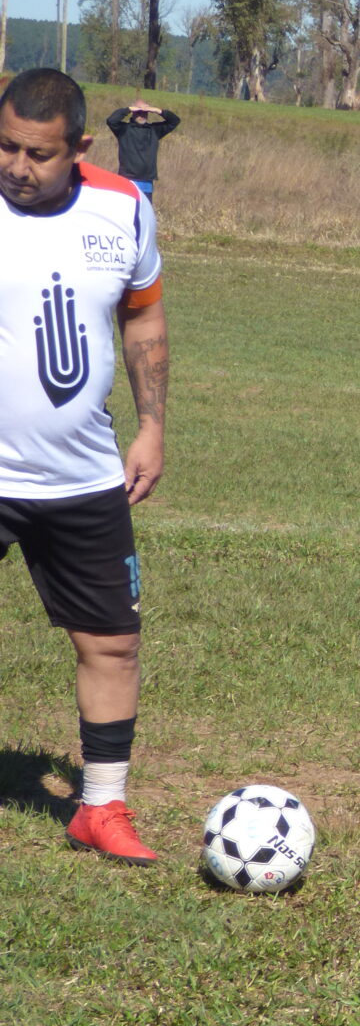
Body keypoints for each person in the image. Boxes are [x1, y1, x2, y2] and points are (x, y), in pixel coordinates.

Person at [0, 69, 170, 866]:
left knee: (112, 643)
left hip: (82, 475)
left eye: (37, 154)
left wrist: (152, 426)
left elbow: (144, 316)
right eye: (5, 146)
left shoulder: (124, 207)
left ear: (80, 147)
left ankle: (100, 807)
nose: (16, 167)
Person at [103, 98, 180, 204]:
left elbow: (175, 121)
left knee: (144, 212)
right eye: (139, 112)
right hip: (127, 180)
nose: (142, 115)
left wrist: (157, 110)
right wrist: (129, 109)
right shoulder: (123, 129)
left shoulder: (154, 130)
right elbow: (111, 120)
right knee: (127, 211)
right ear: (133, 112)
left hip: (146, 182)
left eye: (145, 112)